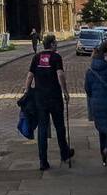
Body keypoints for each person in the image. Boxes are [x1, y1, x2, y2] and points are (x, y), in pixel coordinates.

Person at [25, 34, 73, 170]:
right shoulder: (56, 57)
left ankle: (43, 161)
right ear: (51, 44)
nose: (56, 44)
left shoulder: (36, 57)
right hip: (54, 97)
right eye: (55, 42)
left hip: (40, 99)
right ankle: (64, 154)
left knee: (42, 129)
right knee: (60, 127)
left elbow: (29, 76)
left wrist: (26, 92)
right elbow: (60, 74)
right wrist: (65, 91)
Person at [84, 39, 107, 166]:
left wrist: (93, 98)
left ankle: (104, 159)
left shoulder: (89, 72)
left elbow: (87, 89)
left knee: (101, 130)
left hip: (96, 103)